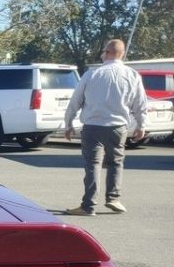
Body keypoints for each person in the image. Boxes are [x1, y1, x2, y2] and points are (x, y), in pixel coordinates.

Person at [63, 38, 148, 216]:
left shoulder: (91, 74)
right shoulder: (132, 75)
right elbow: (140, 103)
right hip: (118, 127)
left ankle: (88, 206)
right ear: (122, 54)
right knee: (116, 163)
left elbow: (75, 101)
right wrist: (141, 125)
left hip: (93, 127)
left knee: (93, 164)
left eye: (103, 51)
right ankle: (113, 198)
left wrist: (68, 123)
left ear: (107, 53)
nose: (102, 55)